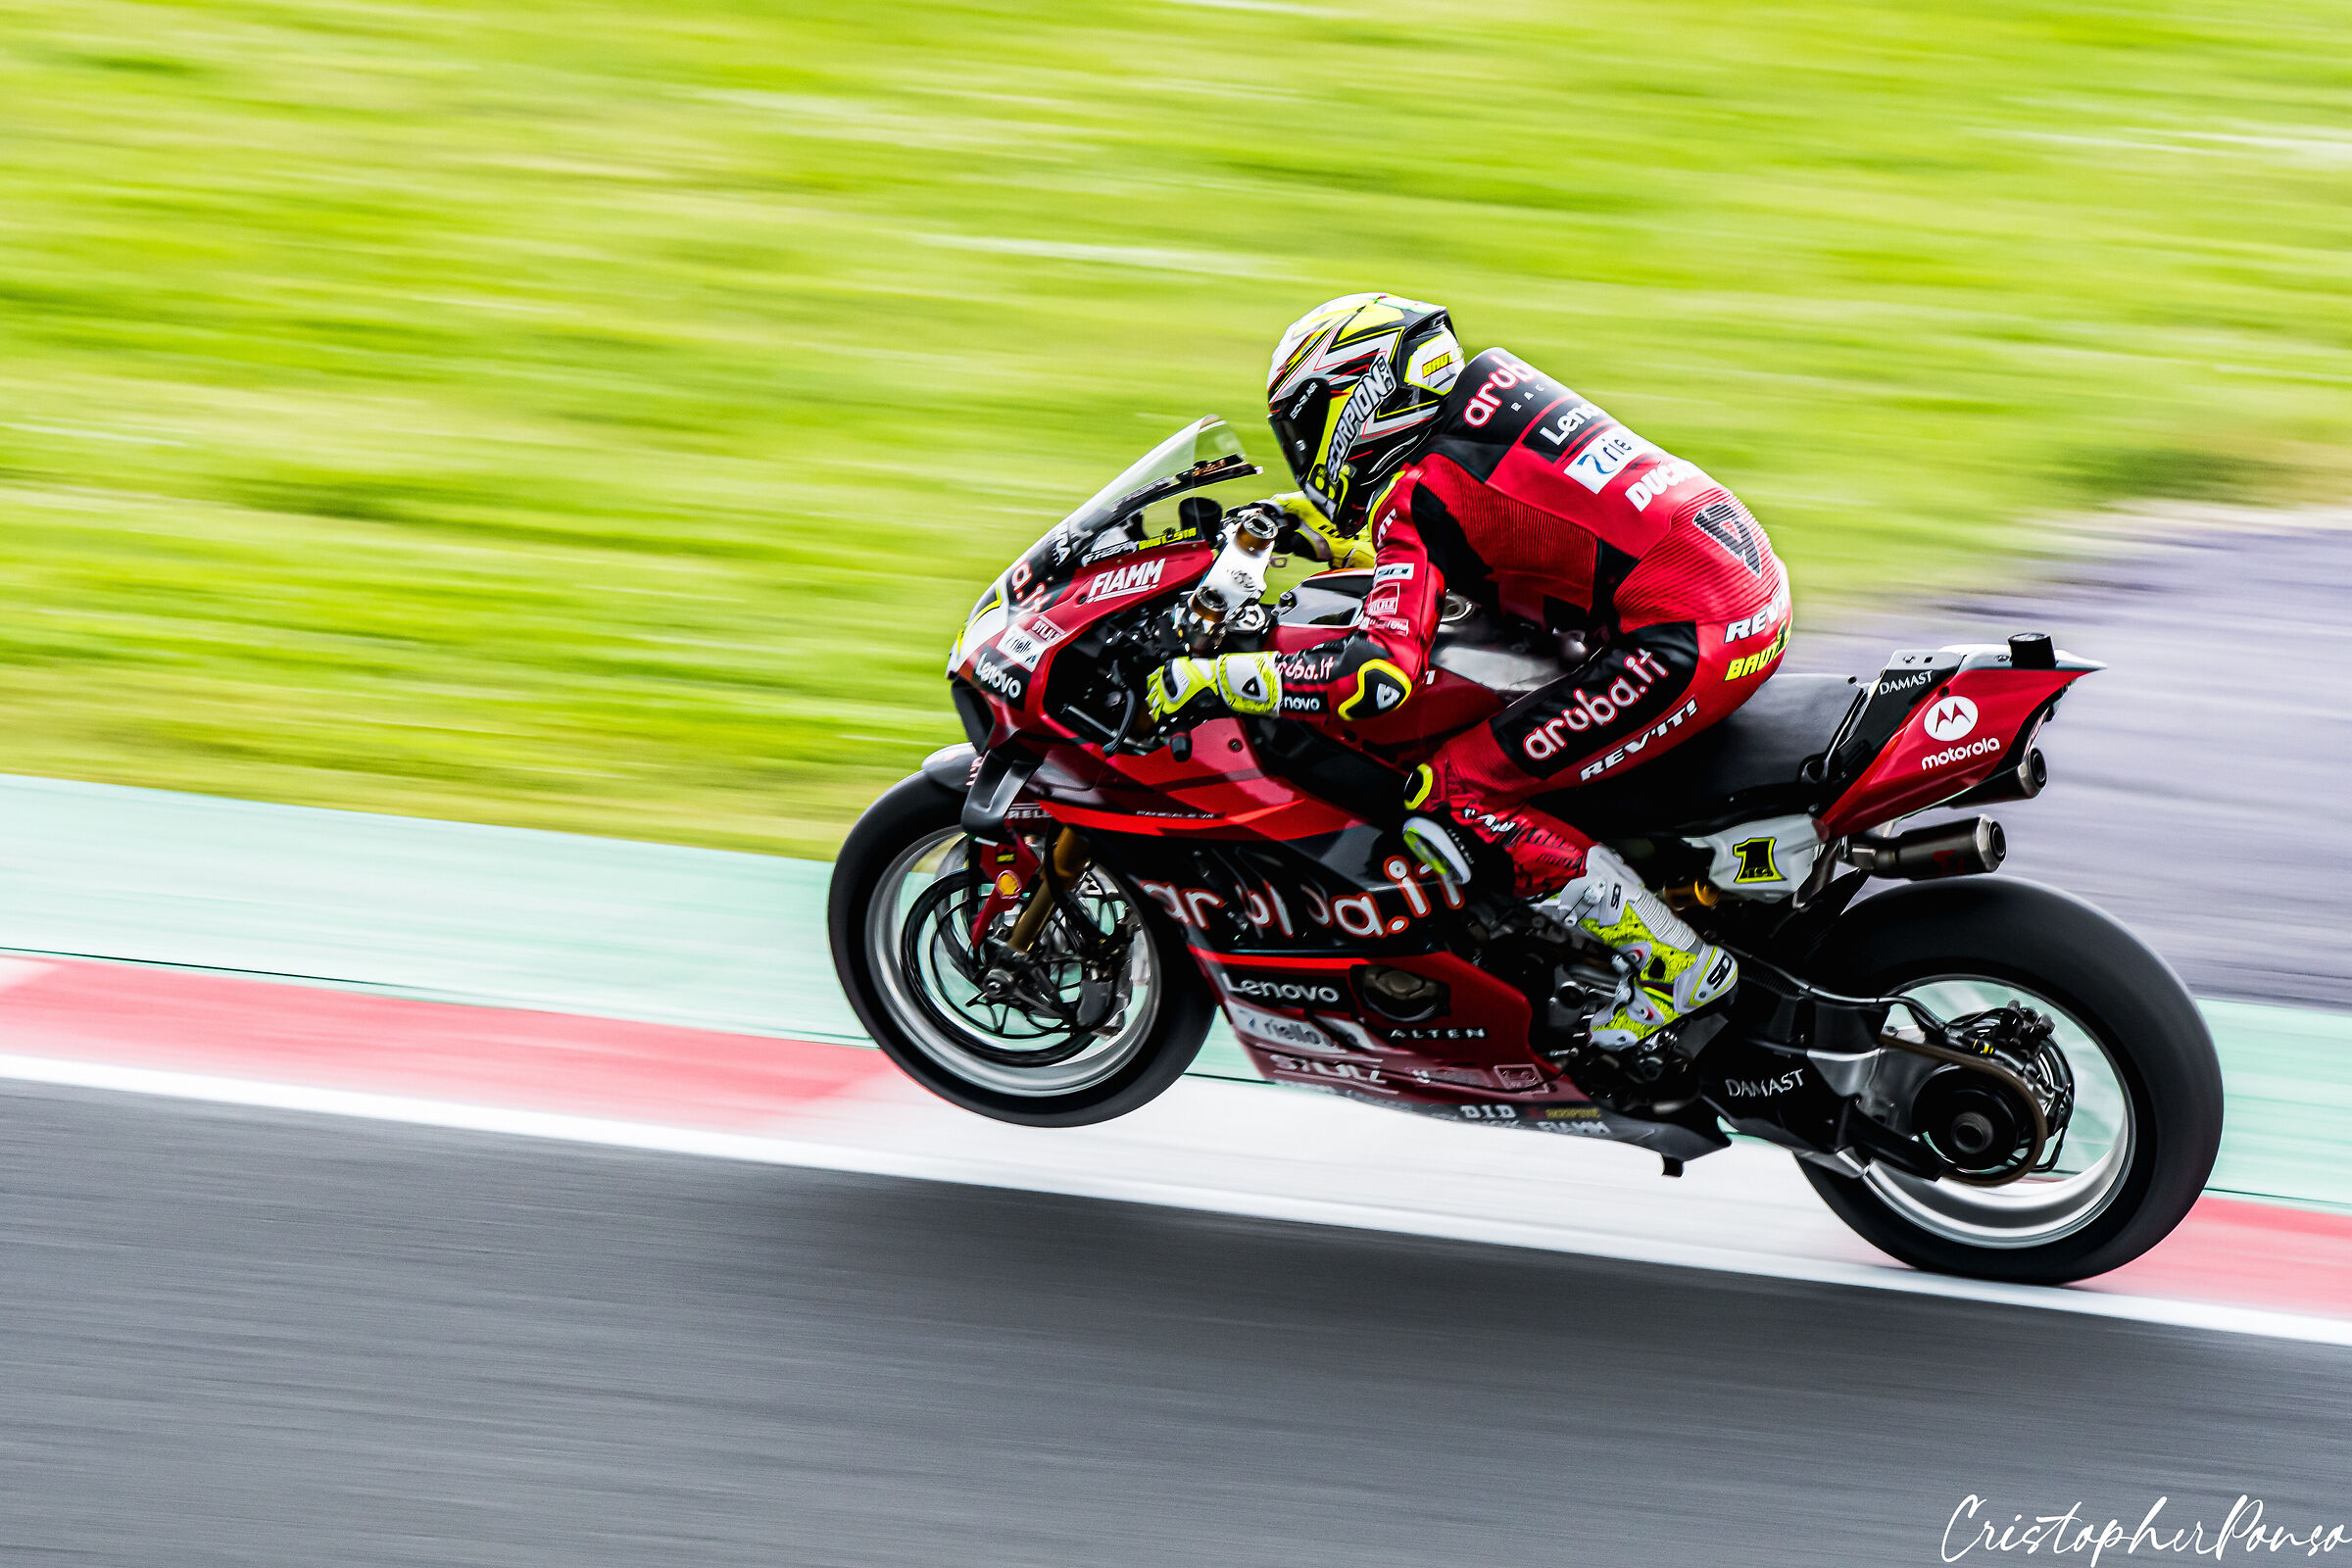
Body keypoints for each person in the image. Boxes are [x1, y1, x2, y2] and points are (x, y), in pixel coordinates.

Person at [1145, 293, 1789, 1049]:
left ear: (1358, 406)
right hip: (1732, 581)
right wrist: (1325, 539)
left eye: (1306, 427)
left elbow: (1374, 679)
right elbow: (1496, 535)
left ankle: (1673, 963)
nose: (1304, 448)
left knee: (1453, 791)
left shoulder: (1419, 493)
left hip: (1686, 635)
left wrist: (1217, 681)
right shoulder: (1496, 392)